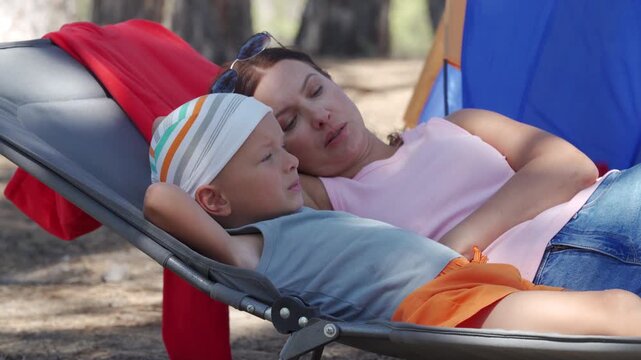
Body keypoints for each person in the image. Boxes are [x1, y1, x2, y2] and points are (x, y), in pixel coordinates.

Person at [144, 92, 641, 337]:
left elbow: (570, 166)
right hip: (440, 304)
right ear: (212, 201)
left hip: (472, 281)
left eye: (316, 88)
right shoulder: (255, 243)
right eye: (273, 148)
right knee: (617, 314)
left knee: (618, 312)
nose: (289, 160)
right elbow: (161, 198)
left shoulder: (290, 215)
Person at [207, 36, 641, 295]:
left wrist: (453, 245)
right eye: (290, 122)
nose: (319, 115)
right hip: (553, 272)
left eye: (316, 90)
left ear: (335, 84)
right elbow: (209, 195)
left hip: (607, 205)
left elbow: (572, 167)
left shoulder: (457, 123)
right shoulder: (323, 201)